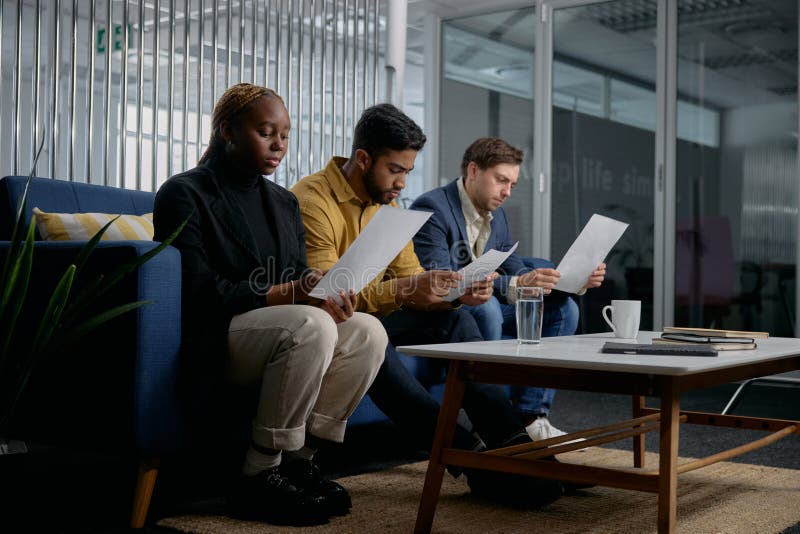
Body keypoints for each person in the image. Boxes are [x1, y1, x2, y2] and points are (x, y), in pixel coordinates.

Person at [291, 104, 565, 509]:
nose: (403, 182)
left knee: (457, 320)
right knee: (371, 339)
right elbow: (333, 296)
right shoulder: (312, 200)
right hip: (340, 318)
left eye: (408, 171)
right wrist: (405, 290)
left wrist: (451, 292)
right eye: (395, 169)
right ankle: (472, 460)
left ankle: (514, 445)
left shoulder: (391, 206)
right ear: (363, 158)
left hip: (382, 309)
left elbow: (412, 274)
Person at [153, 83, 387, 526]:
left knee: (366, 331)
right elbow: (198, 290)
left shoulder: (283, 202)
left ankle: (300, 461)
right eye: (266, 132)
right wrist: (289, 294)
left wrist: (323, 295)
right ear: (227, 132)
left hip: (278, 331)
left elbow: (296, 278)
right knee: (308, 326)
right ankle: (257, 476)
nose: (279, 144)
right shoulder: (185, 193)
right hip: (215, 335)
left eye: (285, 134)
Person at [410, 137, 606, 441]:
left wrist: (549, 279)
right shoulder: (432, 208)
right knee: (485, 306)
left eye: (512, 184)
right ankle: (489, 420)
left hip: (487, 299)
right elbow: (442, 278)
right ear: (473, 170)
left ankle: (530, 416)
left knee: (564, 310)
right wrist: (517, 283)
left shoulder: (496, 211)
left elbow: (512, 261)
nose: (507, 192)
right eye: (502, 180)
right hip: (446, 310)